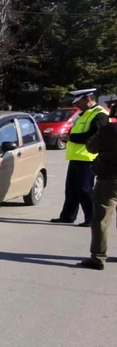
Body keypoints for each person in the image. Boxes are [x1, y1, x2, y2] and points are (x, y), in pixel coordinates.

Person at [51, 89, 109, 226]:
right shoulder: (84, 114)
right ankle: (68, 216)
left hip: (88, 157)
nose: (77, 106)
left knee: (85, 190)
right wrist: (67, 137)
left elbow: (94, 136)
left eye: (79, 102)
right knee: (71, 189)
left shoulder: (100, 115)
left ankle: (91, 218)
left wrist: (71, 137)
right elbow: (77, 131)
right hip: (76, 156)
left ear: (88, 99)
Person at [78, 104, 117, 270]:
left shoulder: (108, 130)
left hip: (108, 179)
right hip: (108, 177)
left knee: (100, 220)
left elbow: (91, 147)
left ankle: (98, 257)